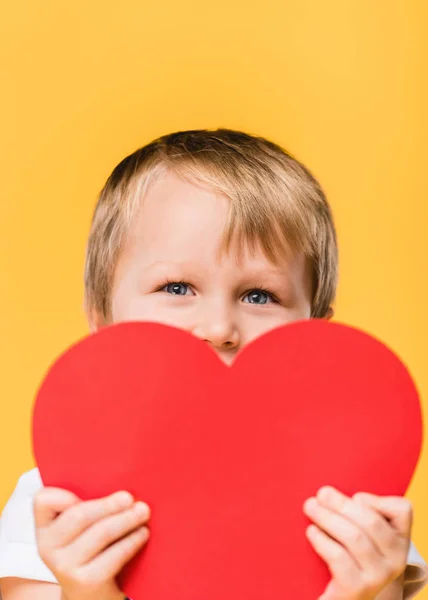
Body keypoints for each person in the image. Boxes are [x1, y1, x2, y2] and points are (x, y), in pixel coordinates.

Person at [0, 129, 427, 600]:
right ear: (102, 316)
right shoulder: (61, 503)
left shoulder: (351, 506)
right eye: (178, 287)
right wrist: (87, 588)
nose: (219, 326)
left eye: (259, 295)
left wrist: (359, 592)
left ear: (314, 334)